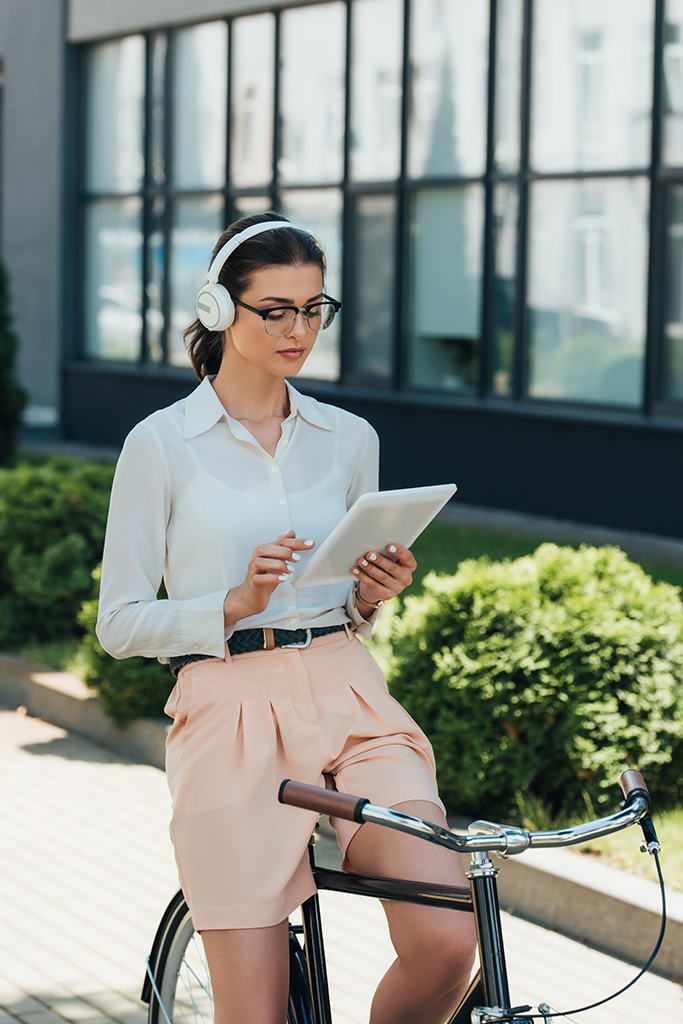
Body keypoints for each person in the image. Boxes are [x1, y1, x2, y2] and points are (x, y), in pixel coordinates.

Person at [97, 212, 476, 1024]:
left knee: (447, 941)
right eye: (274, 311)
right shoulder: (160, 444)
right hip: (229, 710)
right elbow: (119, 623)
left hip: (350, 697)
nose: (298, 330)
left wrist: (370, 592)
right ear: (218, 309)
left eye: (313, 309)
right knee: (256, 1014)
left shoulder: (348, 438)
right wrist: (229, 605)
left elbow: (347, 597)